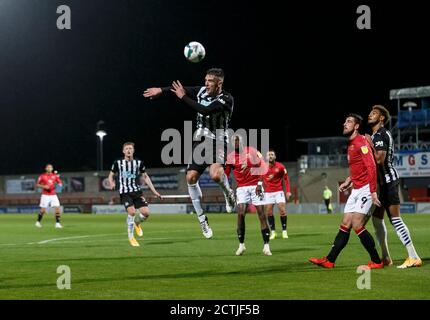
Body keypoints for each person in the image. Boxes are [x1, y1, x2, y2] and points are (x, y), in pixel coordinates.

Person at [143, 68, 236, 239]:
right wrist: (161, 91)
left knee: (215, 175)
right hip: (200, 140)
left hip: (218, 140)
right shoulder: (201, 90)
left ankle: (228, 193)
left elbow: (205, 110)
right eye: (205, 80)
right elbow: (179, 88)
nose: (206, 83)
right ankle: (202, 219)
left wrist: (183, 97)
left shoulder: (227, 99)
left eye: (210, 81)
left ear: (219, 83)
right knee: (190, 178)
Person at [309, 114, 383, 269]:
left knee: (357, 224)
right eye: (345, 121)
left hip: (366, 189)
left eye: (349, 121)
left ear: (356, 126)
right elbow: (360, 168)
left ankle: (377, 261)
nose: (344, 123)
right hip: (356, 189)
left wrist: (373, 191)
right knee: (345, 223)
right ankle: (329, 260)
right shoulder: (351, 144)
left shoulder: (361, 142)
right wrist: (349, 180)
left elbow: (371, 166)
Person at [368, 105, 422, 268]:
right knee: (377, 220)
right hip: (382, 184)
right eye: (370, 113)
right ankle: (386, 257)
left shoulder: (380, 134)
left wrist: (368, 143)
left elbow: (379, 160)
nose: (370, 115)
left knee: (396, 220)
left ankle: (413, 256)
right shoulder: (376, 135)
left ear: (382, 118)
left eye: (374, 113)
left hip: (389, 181)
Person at [224, 135, 272, 256]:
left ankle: (266, 246)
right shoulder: (229, 157)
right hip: (241, 188)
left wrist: (260, 183)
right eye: (233, 141)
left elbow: (263, 166)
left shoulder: (252, 150)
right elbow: (225, 175)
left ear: (242, 142)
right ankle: (241, 245)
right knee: (240, 214)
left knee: (261, 214)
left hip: (256, 185)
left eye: (237, 141)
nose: (235, 143)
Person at [108, 142, 162, 247]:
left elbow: (145, 177)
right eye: (127, 148)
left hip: (136, 191)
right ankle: (131, 237)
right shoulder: (117, 163)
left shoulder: (139, 163)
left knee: (146, 213)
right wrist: (111, 182)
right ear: (123, 151)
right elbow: (110, 175)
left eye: (130, 148)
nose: (128, 150)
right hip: (125, 192)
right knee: (132, 212)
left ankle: (137, 223)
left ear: (133, 150)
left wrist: (155, 191)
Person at [263, 150, 292, 239]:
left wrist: (288, 191)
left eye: (272, 155)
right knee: (269, 212)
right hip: (268, 193)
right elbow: (258, 177)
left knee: (282, 210)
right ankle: (273, 232)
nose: (270, 156)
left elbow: (286, 178)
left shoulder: (280, 167)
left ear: (275, 157)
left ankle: (284, 231)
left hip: (278, 192)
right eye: (269, 155)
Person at [35, 164, 63, 229]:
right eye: (48, 167)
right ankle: (38, 222)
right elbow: (37, 184)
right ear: (46, 168)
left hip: (53, 194)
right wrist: (44, 186)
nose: (49, 168)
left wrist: (57, 183)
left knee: (57, 208)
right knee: (43, 210)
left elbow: (60, 184)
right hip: (45, 195)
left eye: (50, 167)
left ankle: (57, 223)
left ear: (52, 168)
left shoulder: (55, 176)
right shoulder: (42, 176)